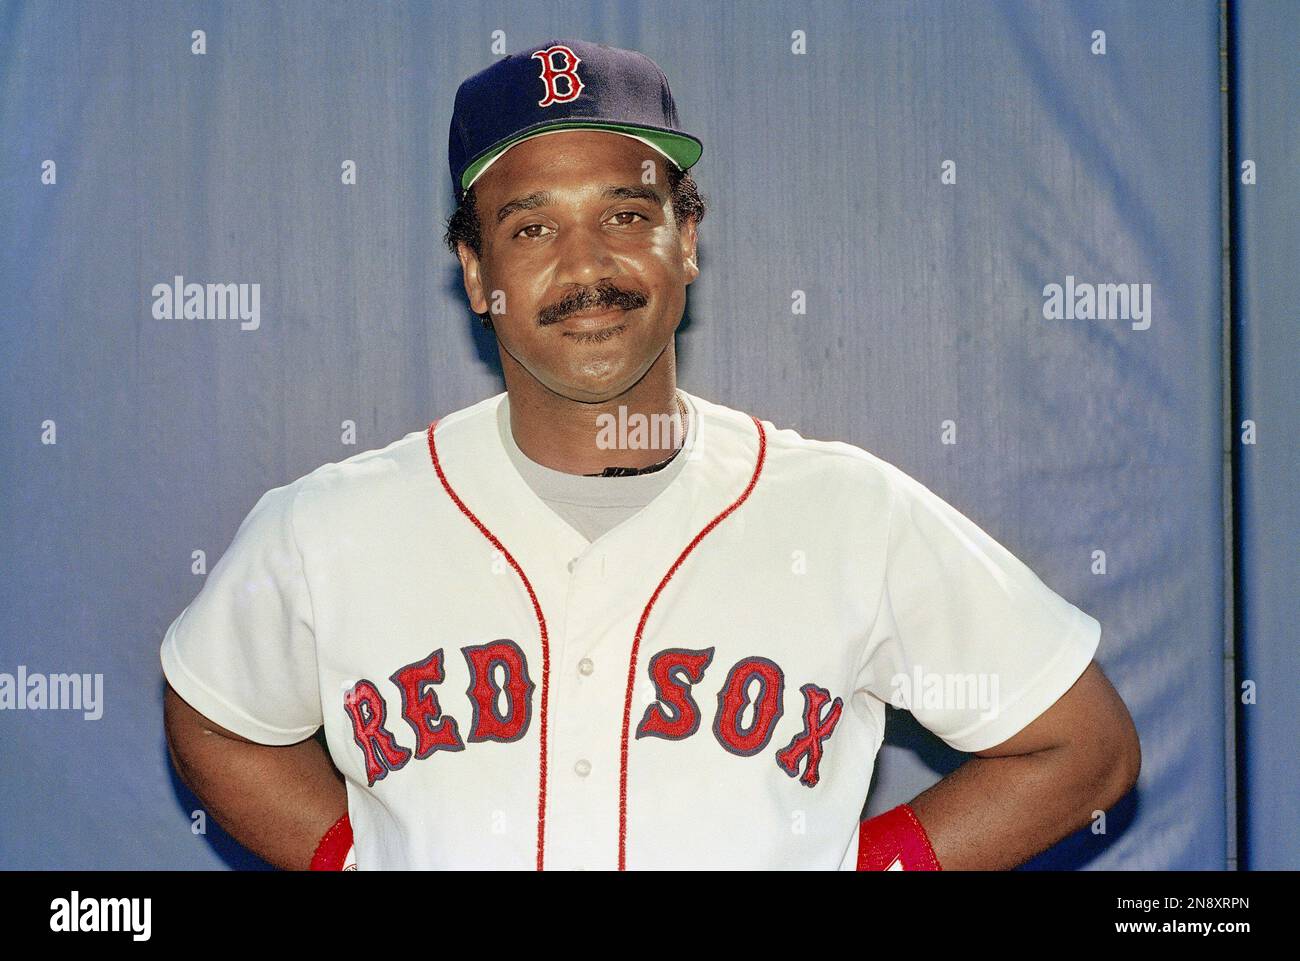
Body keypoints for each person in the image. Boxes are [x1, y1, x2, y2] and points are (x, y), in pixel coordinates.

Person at [161, 38, 1140, 871]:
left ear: (687, 239)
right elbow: (213, 713)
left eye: (627, 215)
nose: (585, 267)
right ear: (475, 270)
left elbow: (1080, 749)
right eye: (531, 226)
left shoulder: (847, 512)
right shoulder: (330, 528)